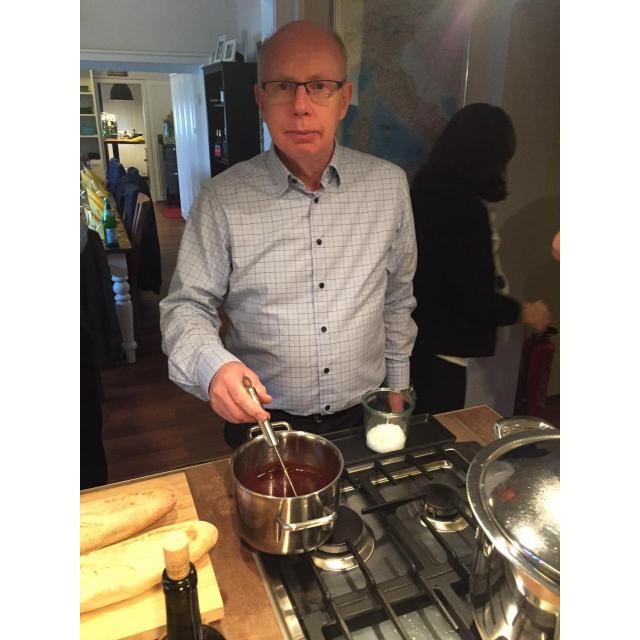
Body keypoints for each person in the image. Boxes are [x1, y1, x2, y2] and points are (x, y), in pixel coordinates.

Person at [159, 21, 417, 448]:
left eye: (320, 86)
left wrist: (398, 387)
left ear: (344, 99)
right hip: (264, 419)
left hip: (364, 413)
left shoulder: (389, 186)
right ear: (261, 100)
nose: (300, 106)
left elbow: (397, 298)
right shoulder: (221, 198)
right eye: (282, 86)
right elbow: (186, 306)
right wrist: (214, 367)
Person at [410, 103, 551, 415]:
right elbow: (473, 296)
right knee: (440, 432)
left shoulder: (421, 193)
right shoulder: (465, 210)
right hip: (443, 351)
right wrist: (523, 311)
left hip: (413, 342)